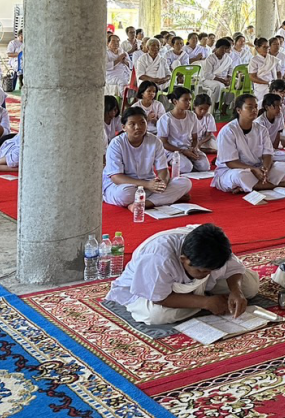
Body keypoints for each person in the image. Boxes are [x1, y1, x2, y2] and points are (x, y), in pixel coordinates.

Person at [104, 224, 259, 325]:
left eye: (212, 270)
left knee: (250, 287)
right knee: (156, 316)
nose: (208, 274)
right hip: (152, 290)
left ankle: (207, 298)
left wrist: (236, 292)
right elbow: (160, 298)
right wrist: (206, 303)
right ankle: (207, 300)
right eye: (203, 271)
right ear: (183, 260)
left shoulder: (215, 245)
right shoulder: (158, 258)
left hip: (196, 285)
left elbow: (233, 268)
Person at [104, 107, 192, 210]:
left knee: (185, 182)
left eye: (142, 123)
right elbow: (116, 177)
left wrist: (161, 183)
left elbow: (163, 170)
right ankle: (165, 199)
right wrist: (148, 185)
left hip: (148, 184)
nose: (138, 127)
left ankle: (145, 203)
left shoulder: (154, 141)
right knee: (125, 194)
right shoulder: (116, 144)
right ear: (124, 127)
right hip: (123, 186)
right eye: (132, 124)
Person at [211, 94, 285, 194]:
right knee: (239, 176)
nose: (254, 110)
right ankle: (274, 185)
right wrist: (253, 169)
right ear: (239, 110)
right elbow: (230, 163)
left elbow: (268, 153)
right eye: (250, 107)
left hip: (257, 168)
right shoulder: (228, 131)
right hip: (233, 170)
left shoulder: (261, 129)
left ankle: (252, 186)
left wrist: (265, 169)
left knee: (284, 167)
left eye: (255, 107)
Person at [157, 87, 209, 173]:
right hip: (172, 150)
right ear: (175, 101)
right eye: (185, 100)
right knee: (186, 167)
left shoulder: (192, 116)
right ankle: (171, 160)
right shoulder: (165, 119)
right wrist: (183, 151)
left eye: (190, 100)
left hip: (188, 148)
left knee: (204, 166)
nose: (189, 103)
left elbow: (195, 138)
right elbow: (164, 143)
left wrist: (194, 148)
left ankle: (189, 161)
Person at [256, 93, 285, 162]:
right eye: (276, 106)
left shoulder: (279, 115)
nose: (279, 108)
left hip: (271, 149)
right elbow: (258, 143)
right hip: (260, 150)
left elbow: (278, 132)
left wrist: (275, 149)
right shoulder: (260, 122)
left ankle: (267, 159)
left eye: (280, 105)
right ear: (267, 107)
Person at [198, 37, 233, 106]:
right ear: (217, 47)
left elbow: (231, 70)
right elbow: (207, 75)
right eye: (222, 48)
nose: (224, 50)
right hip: (209, 80)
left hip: (224, 79)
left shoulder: (228, 59)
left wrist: (229, 79)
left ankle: (225, 106)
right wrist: (221, 80)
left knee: (234, 85)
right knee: (218, 86)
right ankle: (215, 105)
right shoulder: (210, 58)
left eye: (226, 48)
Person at [248, 37, 279, 103]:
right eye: (264, 47)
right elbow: (252, 77)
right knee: (262, 105)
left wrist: (276, 82)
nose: (267, 49)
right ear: (257, 48)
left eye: (268, 47)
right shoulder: (254, 60)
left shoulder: (272, 59)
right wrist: (267, 83)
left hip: (274, 86)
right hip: (260, 87)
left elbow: (278, 72)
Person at [105, 34, 132, 98]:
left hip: (125, 73)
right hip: (112, 75)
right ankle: (124, 99)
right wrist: (118, 60)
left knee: (134, 80)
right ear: (108, 43)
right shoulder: (106, 53)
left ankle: (132, 99)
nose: (116, 43)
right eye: (113, 41)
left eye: (118, 41)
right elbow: (105, 67)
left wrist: (124, 62)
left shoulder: (122, 51)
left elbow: (131, 64)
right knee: (122, 81)